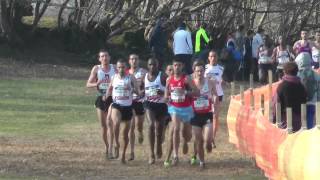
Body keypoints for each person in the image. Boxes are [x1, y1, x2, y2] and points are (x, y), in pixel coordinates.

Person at [163, 59, 200, 167]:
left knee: (187, 135)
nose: (177, 67)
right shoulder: (169, 79)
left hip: (187, 109)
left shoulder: (187, 79)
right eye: (175, 65)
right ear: (172, 66)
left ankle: (184, 141)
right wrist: (166, 98)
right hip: (174, 108)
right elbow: (166, 93)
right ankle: (175, 155)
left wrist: (185, 92)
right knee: (176, 128)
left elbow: (197, 92)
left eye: (179, 65)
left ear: (182, 66)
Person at [106, 59, 141, 163]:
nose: (121, 69)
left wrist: (131, 89)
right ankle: (116, 143)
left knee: (125, 135)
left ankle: (123, 155)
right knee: (116, 123)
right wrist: (106, 95)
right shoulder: (114, 77)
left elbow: (137, 92)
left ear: (126, 68)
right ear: (117, 68)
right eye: (119, 67)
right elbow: (109, 89)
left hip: (128, 107)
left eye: (123, 67)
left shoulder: (131, 77)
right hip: (117, 105)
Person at [86, 49, 116, 158]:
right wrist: (96, 83)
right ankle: (107, 147)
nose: (104, 58)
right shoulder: (96, 68)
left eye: (106, 56)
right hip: (100, 99)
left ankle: (111, 149)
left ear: (109, 57)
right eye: (102, 56)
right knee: (103, 126)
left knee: (110, 124)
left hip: (112, 99)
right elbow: (88, 84)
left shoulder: (115, 68)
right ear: (99, 59)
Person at [190, 60, 217, 169]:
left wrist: (214, 99)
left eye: (201, 71)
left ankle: (209, 144)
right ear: (194, 72)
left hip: (207, 114)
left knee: (207, 140)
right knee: (198, 140)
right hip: (195, 115)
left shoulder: (210, 82)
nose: (200, 73)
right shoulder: (191, 83)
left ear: (204, 71)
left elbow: (215, 94)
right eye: (197, 71)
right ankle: (202, 162)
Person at [144, 58, 168, 164]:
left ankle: (158, 146)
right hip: (149, 104)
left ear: (158, 65)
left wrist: (162, 92)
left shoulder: (163, 76)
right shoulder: (145, 76)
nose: (152, 67)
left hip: (162, 105)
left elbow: (170, 89)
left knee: (159, 131)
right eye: (150, 65)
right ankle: (151, 154)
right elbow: (140, 89)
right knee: (151, 125)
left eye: (154, 65)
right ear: (147, 65)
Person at [273, 62, 307, 132]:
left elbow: (276, 104)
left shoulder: (281, 86)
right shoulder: (301, 86)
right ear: (297, 72)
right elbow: (305, 101)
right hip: (299, 122)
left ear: (284, 72)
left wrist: (273, 119)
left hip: (285, 122)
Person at [127, 54, 147, 161]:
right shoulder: (126, 73)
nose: (134, 61)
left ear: (138, 60)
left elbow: (148, 84)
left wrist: (142, 91)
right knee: (131, 126)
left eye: (135, 59)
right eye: (132, 59)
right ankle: (132, 152)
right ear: (129, 61)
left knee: (139, 125)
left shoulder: (143, 72)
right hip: (129, 102)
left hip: (140, 101)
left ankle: (140, 132)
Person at [204, 50, 224, 148]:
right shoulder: (205, 68)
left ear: (217, 57)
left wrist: (223, 81)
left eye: (214, 56)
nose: (213, 58)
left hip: (218, 95)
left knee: (215, 116)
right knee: (208, 117)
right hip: (207, 95)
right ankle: (206, 136)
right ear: (208, 58)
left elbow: (223, 80)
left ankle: (212, 139)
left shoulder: (221, 69)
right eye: (211, 56)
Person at [295, 52, 320, 129]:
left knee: (300, 122)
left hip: (299, 102)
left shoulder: (296, 75)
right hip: (312, 102)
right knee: (309, 122)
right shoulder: (316, 75)